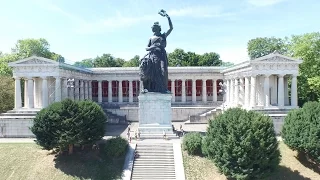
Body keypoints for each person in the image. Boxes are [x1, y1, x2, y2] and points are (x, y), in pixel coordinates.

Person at [139, 9, 173, 93]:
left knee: (163, 71)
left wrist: (168, 17)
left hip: (161, 56)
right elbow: (146, 48)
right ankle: (147, 88)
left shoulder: (163, 35)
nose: (154, 29)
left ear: (158, 29)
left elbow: (171, 28)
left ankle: (164, 88)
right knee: (150, 74)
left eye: (155, 28)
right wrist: (153, 47)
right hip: (153, 57)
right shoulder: (151, 38)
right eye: (153, 28)